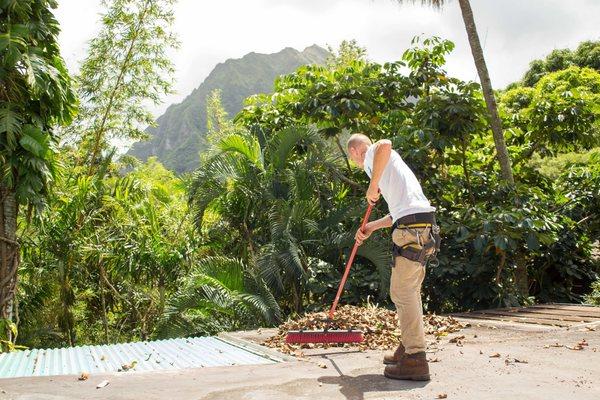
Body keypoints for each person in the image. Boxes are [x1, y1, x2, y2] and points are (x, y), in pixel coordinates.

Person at [346, 133, 440, 381]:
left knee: (402, 292)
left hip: (412, 229)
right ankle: (407, 346)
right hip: (417, 225)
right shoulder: (387, 167)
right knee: (408, 291)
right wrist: (370, 227)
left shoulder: (373, 154)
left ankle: (416, 358)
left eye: (352, 159)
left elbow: (385, 145)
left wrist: (372, 183)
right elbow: (397, 214)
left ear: (355, 151)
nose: (358, 165)